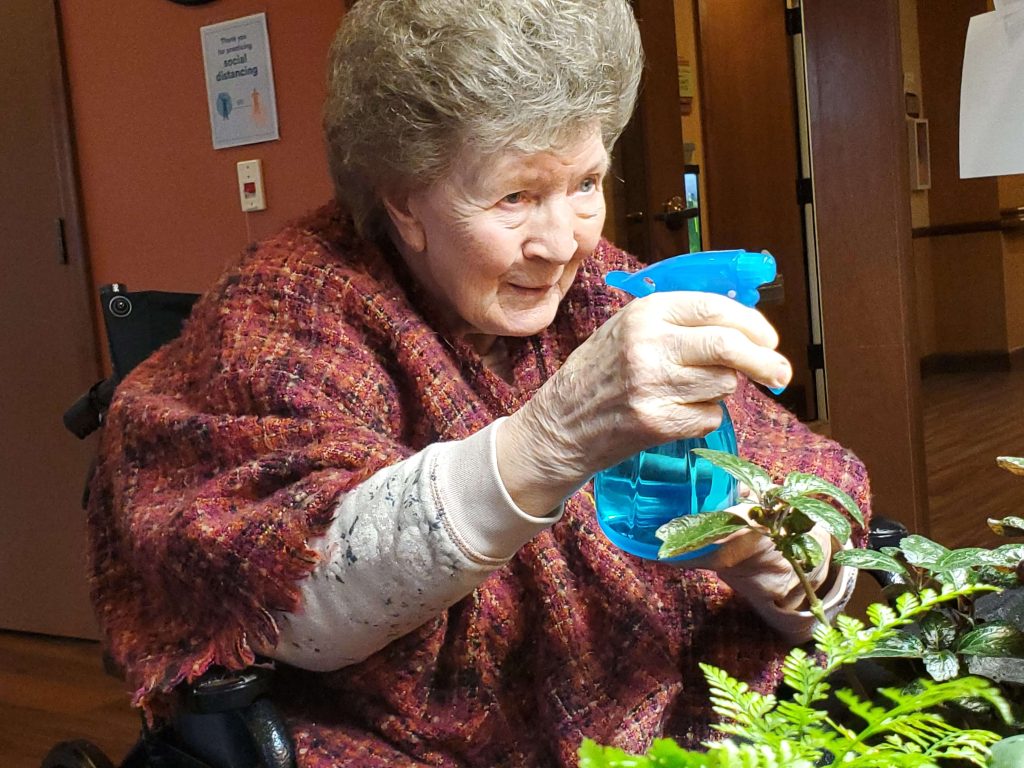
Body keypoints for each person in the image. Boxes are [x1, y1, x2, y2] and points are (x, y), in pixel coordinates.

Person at [87, 0, 871, 765]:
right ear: (403, 198)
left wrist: (785, 569)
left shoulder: (606, 285)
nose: (563, 242)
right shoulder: (288, 307)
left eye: (587, 184)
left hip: (684, 728)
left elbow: (796, 486)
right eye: (515, 195)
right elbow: (289, 591)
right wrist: (554, 438)